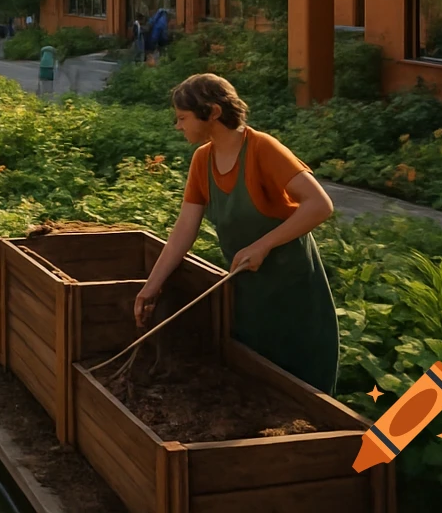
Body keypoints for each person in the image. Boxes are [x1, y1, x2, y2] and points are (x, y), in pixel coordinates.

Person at [133, 74, 339, 393]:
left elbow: (320, 205)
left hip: (294, 294)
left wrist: (263, 245)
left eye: (183, 118)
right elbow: (184, 230)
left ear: (213, 112)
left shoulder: (262, 149)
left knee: (302, 390)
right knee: (256, 383)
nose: (178, 126)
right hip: (248, 294)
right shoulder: (203, 160)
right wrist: (151, 286)